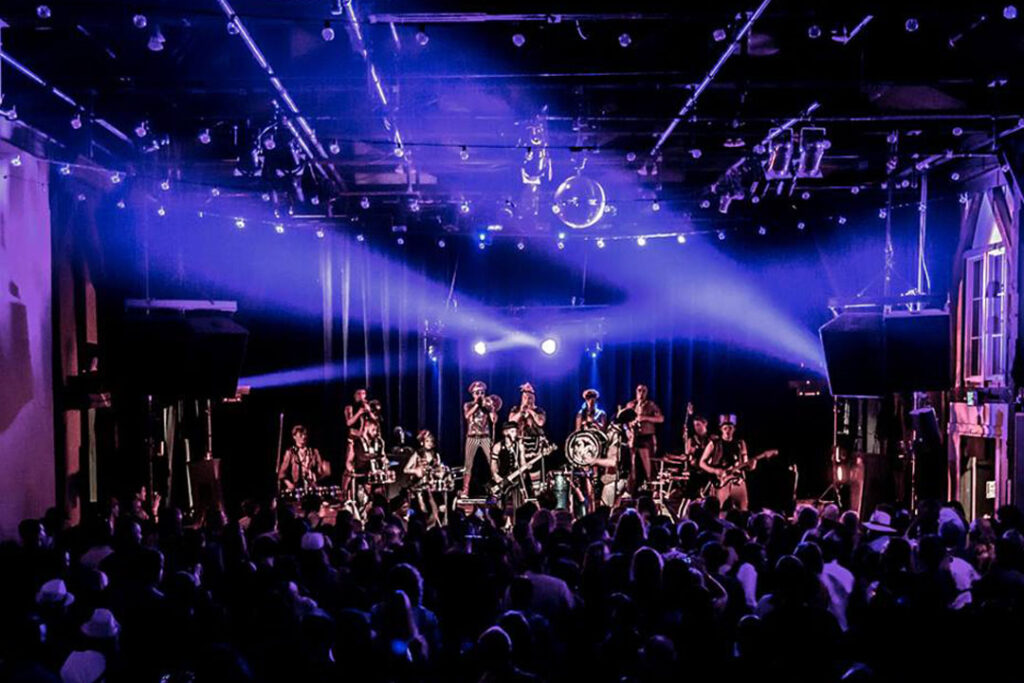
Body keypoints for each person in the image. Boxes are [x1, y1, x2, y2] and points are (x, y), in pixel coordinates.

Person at [699, 414, 752, 511]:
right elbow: (701, 463)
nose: (728, 431)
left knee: (743, 510)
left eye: (730, 428)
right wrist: (715, 470)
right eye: (725, 428)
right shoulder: (713, 443)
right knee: (717, 510)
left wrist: (750, 466)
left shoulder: (740, 444)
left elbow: (745, 463)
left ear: (734, 429)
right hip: (721, 482)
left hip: (737, 481)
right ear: (721, 429)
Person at [621, 384, 664, 490]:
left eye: (644, 391)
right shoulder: (631, 405)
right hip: (634, 437)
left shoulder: (651, 405)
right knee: (633, 464)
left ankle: (651, 487)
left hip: (647, 437)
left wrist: (644, 418)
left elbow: (660, 419)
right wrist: (627, 431)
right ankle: (633, 487)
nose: (641, 393)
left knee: (648, 464)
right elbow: (622, 420)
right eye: (639, 390)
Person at [462, 381, 499, 497]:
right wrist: (478, 404)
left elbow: (494, 420)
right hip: (472, 437)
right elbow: (467, 416)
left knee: (492, 462)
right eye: (477, 392)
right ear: (473, 394)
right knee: (468, 464)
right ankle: (465, 490)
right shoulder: (468, 405)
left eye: (482, 392)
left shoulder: (487, 406)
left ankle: (496, 487)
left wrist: (492, 409)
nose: (480, 394)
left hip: (485, 437)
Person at [344, 388, 381, 497]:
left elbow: (375, 419)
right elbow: (349, 422)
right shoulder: (350, 407)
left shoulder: (366, 407)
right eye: (359, 393)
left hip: (362, 439)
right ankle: (346, 491)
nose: (362, 396)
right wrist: (359, 412)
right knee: (350, 464)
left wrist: (369, 411)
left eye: (364, 393)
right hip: (352, 438)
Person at [277, 426, 331, 491]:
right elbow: (282, 473)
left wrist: (319, 474)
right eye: (300, 435)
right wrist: (290, 485)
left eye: (304, 435)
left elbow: (322, 470)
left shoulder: (314, 452)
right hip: (297, 487)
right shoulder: (290, 453)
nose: (303, 437)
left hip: (312, 486)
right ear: (294, 437)